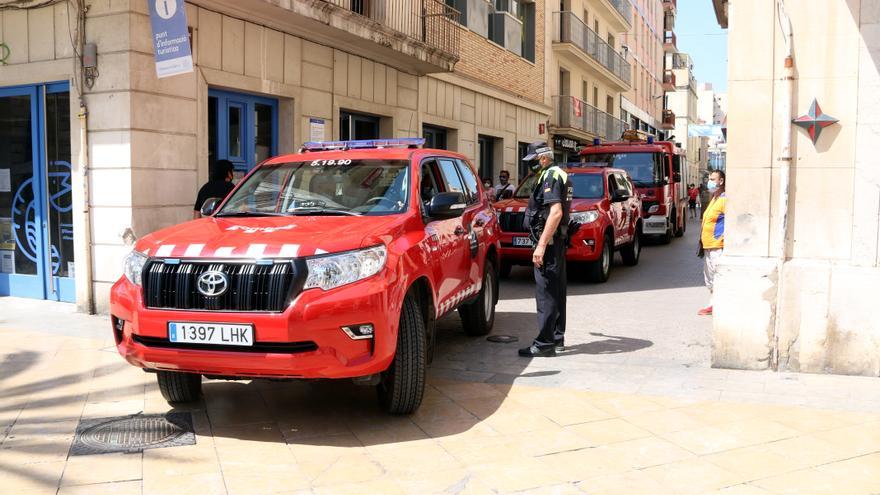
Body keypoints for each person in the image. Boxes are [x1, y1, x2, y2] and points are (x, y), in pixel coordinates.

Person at [519, 141, 573, 357]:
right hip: (556, 242)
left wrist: (541, 245)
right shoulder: (559, 173)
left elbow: (556, 212)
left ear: (543, 158)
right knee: (557, 291)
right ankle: (557, 338)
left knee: (546, 293)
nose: (530, 166)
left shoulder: (551, 176)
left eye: (532, 161)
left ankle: (544, 344)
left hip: (549, 244)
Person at [698, 170, 726, 316]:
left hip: (717, 246)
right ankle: (713, 303)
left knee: (716, 277)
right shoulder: (714, 198)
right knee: (709, 278)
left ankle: (715, 305)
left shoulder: (724, 199)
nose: (709, 181)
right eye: (709, 178)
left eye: (712, 179)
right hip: (708, 245)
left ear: (721, 181)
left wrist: (721, 238)